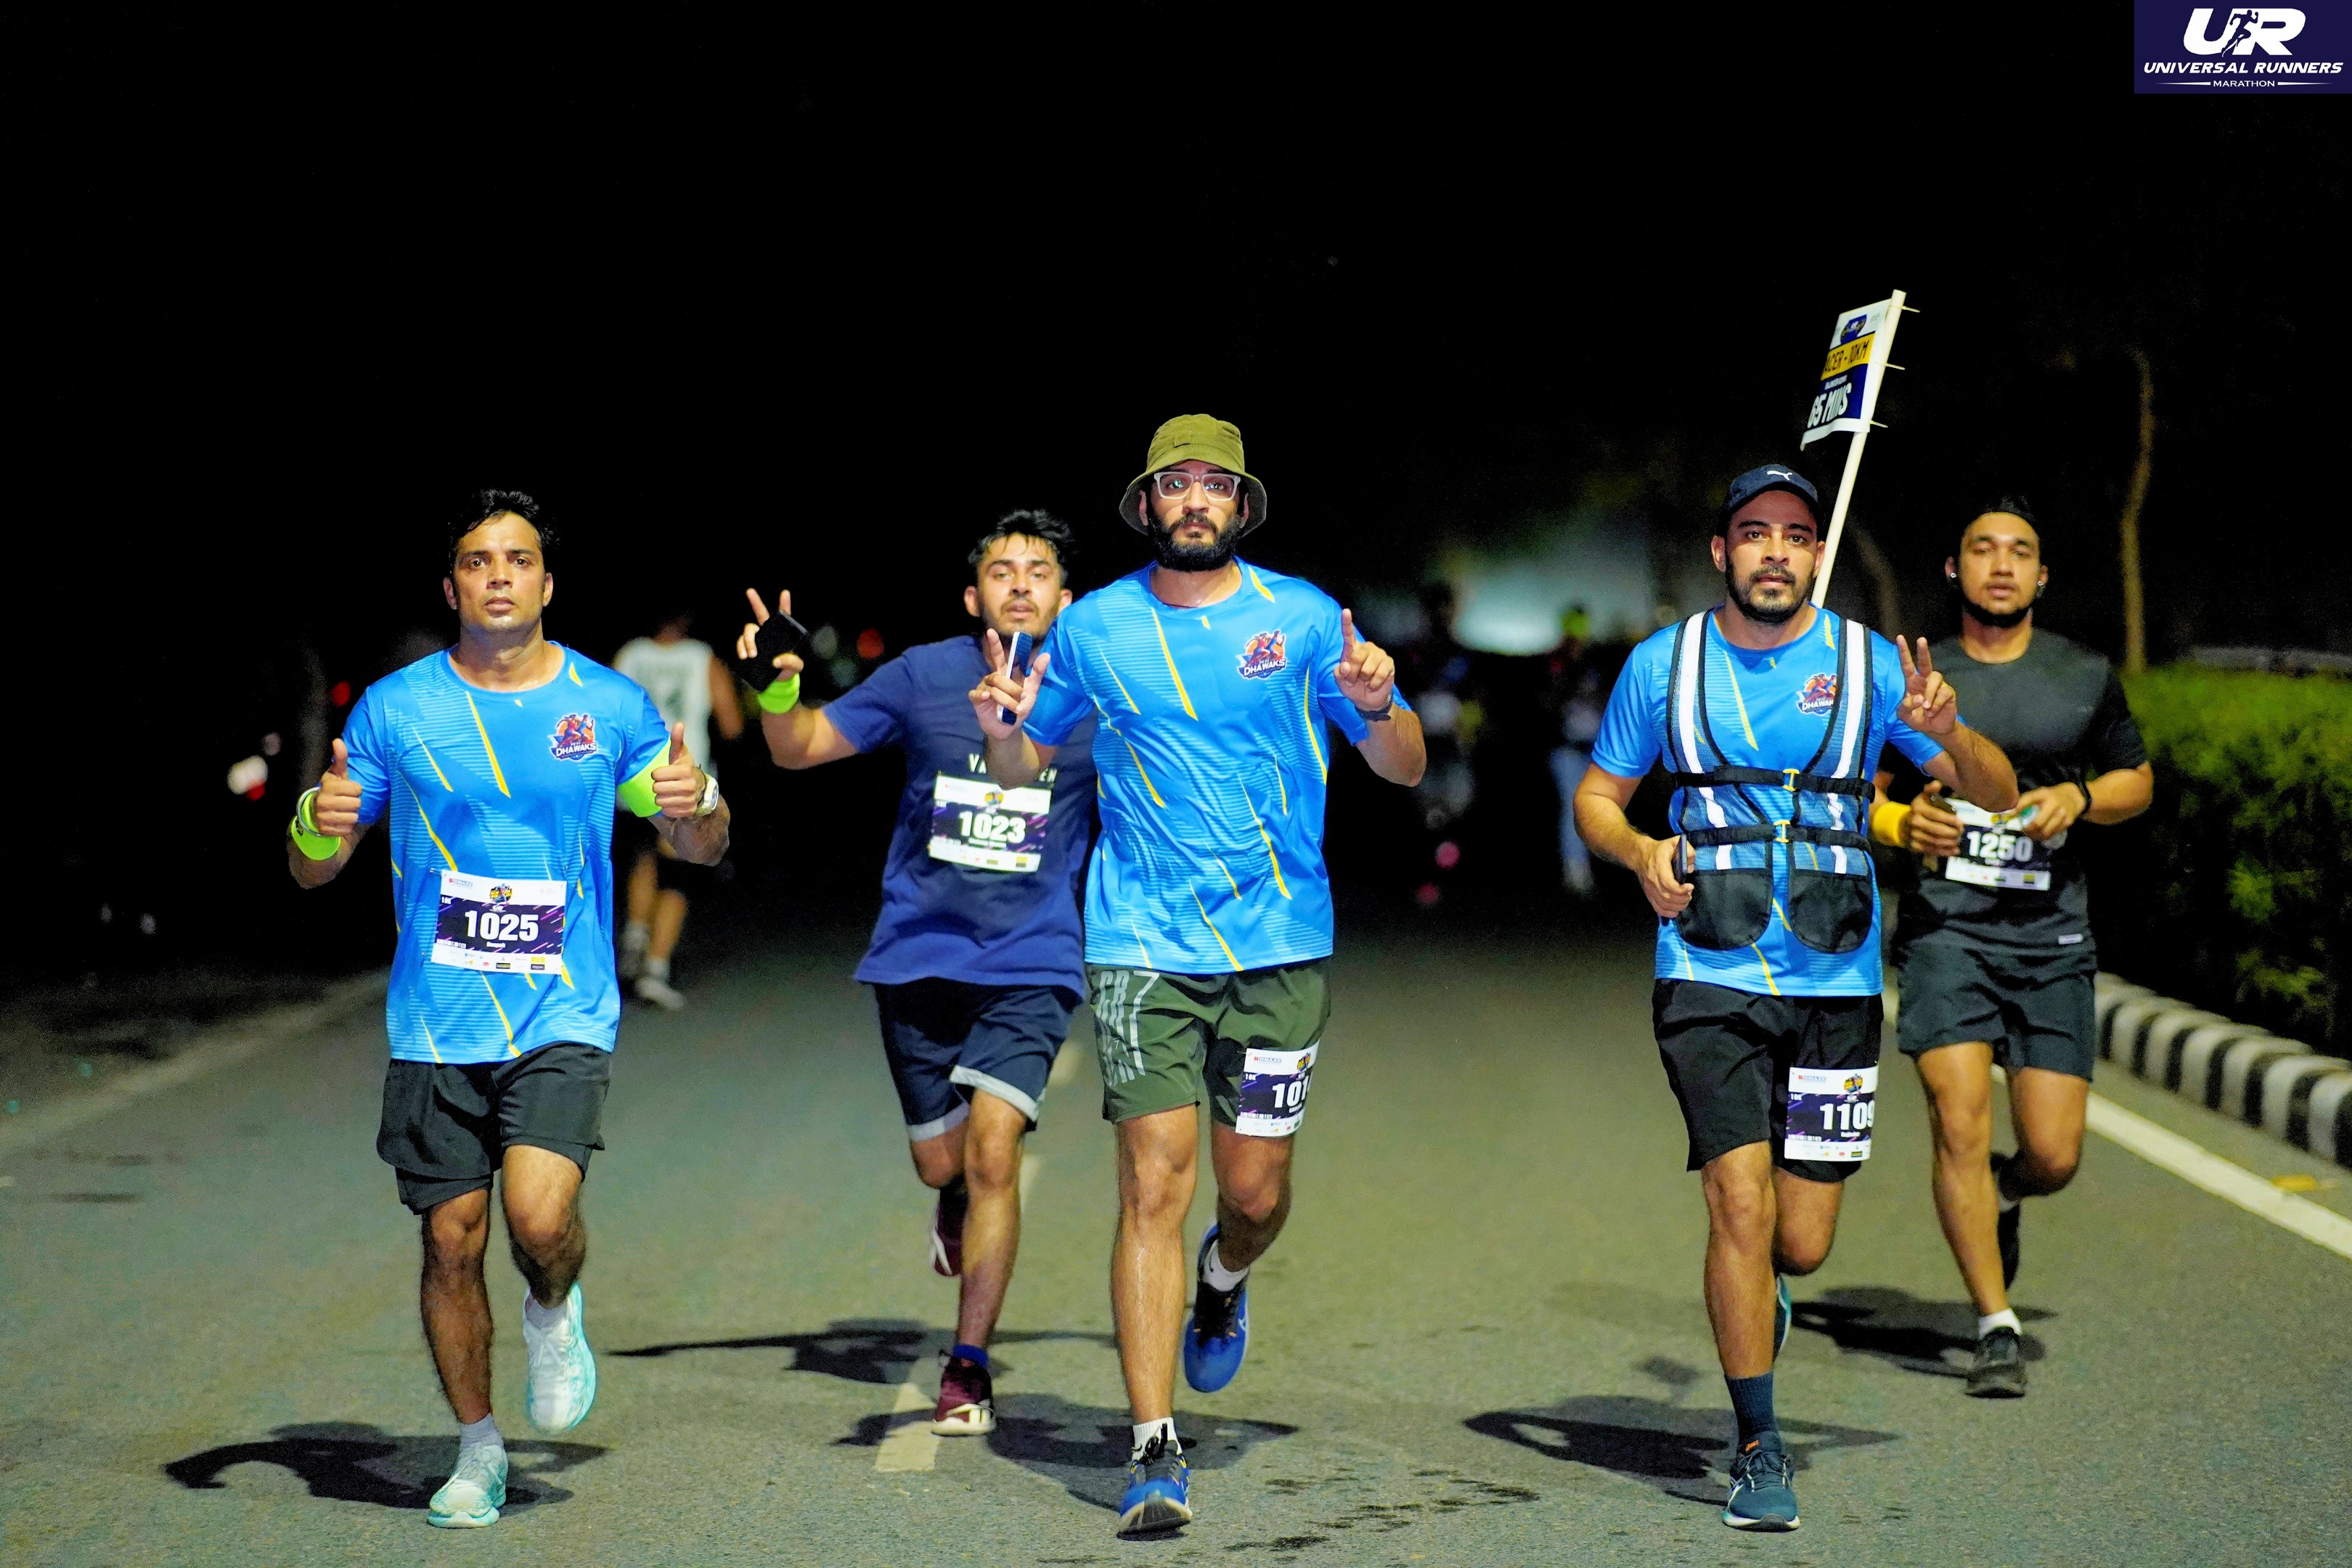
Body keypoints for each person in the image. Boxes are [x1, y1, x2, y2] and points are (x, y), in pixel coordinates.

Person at [971, 415, 1425, 1537]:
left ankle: (1223, 1280)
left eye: (1212, 484)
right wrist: (1006, 735)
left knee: (1253, 1195)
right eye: (1173, 484)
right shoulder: (1094, 628)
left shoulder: (1304, 619)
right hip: (1142, 946)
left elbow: (1403, 767)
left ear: (1239, 504)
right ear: (1147, 504)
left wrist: (1378, 703)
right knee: (1151, 1185)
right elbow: (1026, 769)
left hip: (1279, 945)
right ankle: (1152, 1445)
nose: (1192, 500)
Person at [1573, 465, 2015, 1532]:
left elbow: (1997, 794)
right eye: (1754, 533)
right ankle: (1757, 1444)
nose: (1775, 551)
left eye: (1796, 535)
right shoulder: (1662, 664)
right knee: (1738, 1200)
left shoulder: (1872, 666)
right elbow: (1597, 795)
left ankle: (1765, 1289)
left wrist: (1952, 735)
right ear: (1722, 552)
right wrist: (1638, 850)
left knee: (1801, 1239)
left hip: (1836, 978)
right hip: (1707, 968)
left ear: (1817, 554)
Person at [288, 491, 729, 1530]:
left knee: (537, 1217)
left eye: (519, 559)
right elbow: (316, 868)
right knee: (451, 1238)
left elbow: (696, 843)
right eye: (478, 561)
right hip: (434, 1019)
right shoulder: (396, 709)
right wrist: (316, 820)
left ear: (547, 583)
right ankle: (479, 1449)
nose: (499, 575)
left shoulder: (606, 704)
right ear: (451, 588)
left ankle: (552, 1303)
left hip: (561, 1009)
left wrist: (700, 805)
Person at [735, 511, 1098, 1440]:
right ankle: (952, 1196)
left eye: (1040, 571)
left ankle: (967, 1365)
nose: (1021, 584)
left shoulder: (1100, 688)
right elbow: (798, 747)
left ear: (1066, 597)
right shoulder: (922, 674)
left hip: (1033, 960)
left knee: (994, 1151)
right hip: (918, 955)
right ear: (973, 597)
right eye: (1003, 571)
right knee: (946, 1162)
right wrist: (777, 687)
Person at [1870, 499, 2152, 1397]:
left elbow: (2137, 779)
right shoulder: (1919, 682)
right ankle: (1995, 1325)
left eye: (2020, 552)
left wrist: (2084, 799)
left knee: (2054, 1154)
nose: (2002, 565)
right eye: (1983, 550)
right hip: (1947, 930)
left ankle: (2008, 1192)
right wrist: (1898, 821)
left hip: (2050, 933)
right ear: (1954, 570)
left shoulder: (2082, 674)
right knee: (1958, 1119)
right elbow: (1862, 791)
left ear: (2041, 576)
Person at [613, 611, 746, 1008]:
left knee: (643, 859)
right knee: (678, 872)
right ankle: (655, 969)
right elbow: (732, 723)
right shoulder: (702, 657)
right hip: (685, 779)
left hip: (633, 777)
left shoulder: (630, 654)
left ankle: (635, 933)